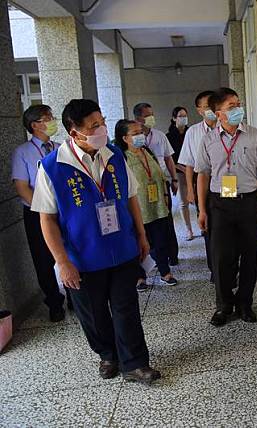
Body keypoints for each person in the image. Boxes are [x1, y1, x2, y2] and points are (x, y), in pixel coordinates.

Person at [31, 99, 160, 384]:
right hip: (83, 258)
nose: (101, 129)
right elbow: (47, 219)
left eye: (101, 122)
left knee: (126, 309)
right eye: (93, 126)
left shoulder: (114, 154)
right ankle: (107, 354)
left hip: (122, 249)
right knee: (94, 314)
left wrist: (141, 235)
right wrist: (62, 262)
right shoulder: (52, 166)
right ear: (73, 132)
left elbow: (131, 198)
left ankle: (135, 363)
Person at [195, 87, 257, 326]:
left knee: (250, 256)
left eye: (238, 104)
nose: (238, 110)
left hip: (249, 201)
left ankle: (245, 304)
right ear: (218, 114)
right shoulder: (208, 140)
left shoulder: (254, 135)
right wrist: (202, 209)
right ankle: (223, 305)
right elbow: (202, 175)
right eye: (231, 107)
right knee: (222, 258)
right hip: (219, 204)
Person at [12, 104, 70, 322]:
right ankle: (54, 303)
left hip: (65, 210)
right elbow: (21, 187)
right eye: (47, 118)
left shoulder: (60, 147)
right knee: (44, 260)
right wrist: (44, 209)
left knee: (69, 251)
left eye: (51, 117)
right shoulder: (22, 153)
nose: (52, 121)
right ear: (35, 125)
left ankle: (74, 294)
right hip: (37, 214)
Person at [114, 119, 178, 289]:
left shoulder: (147, 152)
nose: (140, 136)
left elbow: (159, 175)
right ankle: (140, 277)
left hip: (157, 206)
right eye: (134, 134)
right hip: (137, 209)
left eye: (140, 132)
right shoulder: (121, 157)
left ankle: (165, 272)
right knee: (140, 243)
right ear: (124, 138)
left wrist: (165, 195)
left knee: (160, 240)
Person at [133, 102, 180, 266]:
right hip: (141, 189)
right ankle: (152, 257)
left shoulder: (159, 135)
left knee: (166, 220)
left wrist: (174, 179)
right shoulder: (133, 140)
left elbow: (168, 158)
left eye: (152, 114)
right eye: (147, 115)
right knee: (148, 222)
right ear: (138, 118)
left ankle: (172, 255)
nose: (151, 118)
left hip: (162, 184)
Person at [178, 90, 217, 281]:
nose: (212, 109)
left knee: (227, 223)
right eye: (207, 106)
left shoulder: (226, 127)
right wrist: (190, 190)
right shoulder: (193, 132)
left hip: (227, 183)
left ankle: (231, 267)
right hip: (202, 184)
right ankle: (214, 269)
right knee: (208, 225)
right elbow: (189, 164)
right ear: (199, 110)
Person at [166, 106, 195, 240]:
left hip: (195, 169)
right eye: (180, 116)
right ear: (174, 119)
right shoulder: (169, 136)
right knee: (184, 201)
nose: (184, 118)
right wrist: (183, 169)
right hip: (180, 171)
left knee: (199, 198)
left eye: (185, 115)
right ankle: (189, 229)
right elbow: (171, 158)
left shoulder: (191, 132)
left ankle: (202, 225)